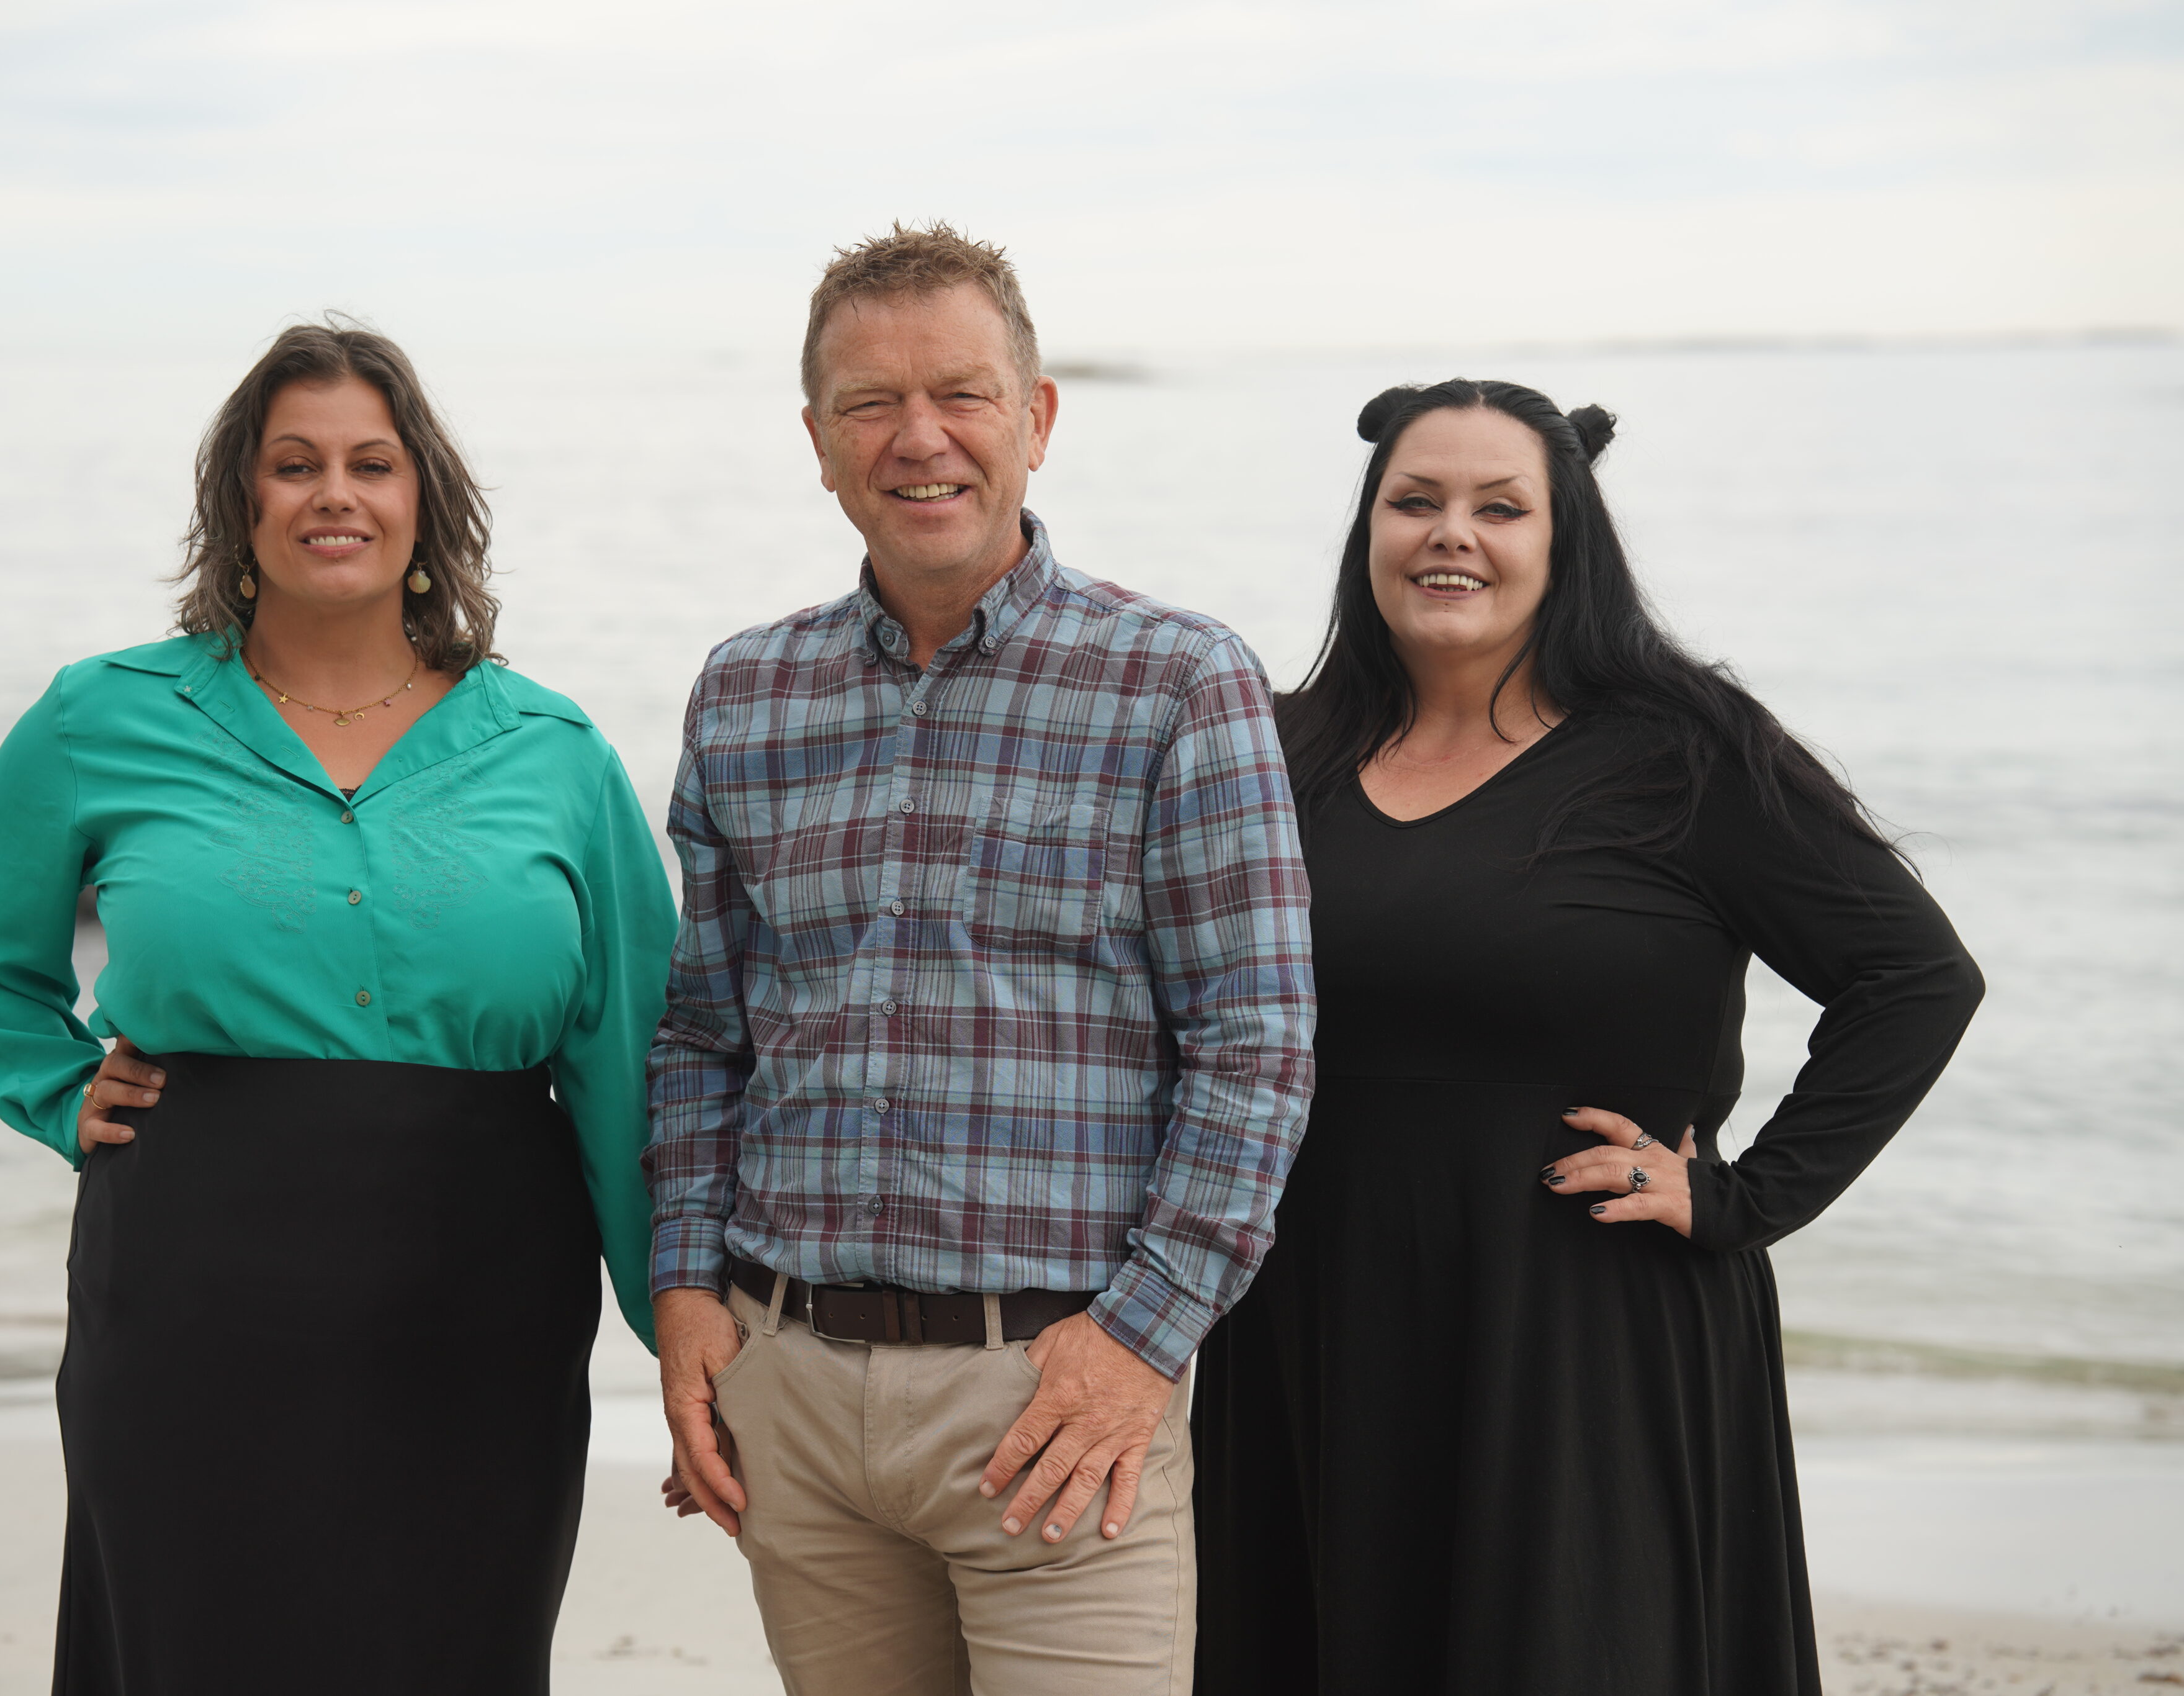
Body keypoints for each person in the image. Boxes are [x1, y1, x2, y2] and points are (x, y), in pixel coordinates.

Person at [1191, 380, 1985, 1694]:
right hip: (1302, 1337)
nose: (1451, 533)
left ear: (1566, 545)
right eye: (1415, 501)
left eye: (1498, 507)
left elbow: (1912, 978)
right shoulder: (1277, 754)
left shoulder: (1684, 753)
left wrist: (1743, 1197)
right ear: (1367, 532)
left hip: (1579, 1341)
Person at [0, 322, 675, 1695]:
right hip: (194, 1290)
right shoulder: (104, 716)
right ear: (241, 505)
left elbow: (632, 1058)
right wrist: (51, 1085)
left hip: (484, 1303)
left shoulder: (552, 752)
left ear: (423, 502)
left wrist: (678, 1331)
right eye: (295, 464)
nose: (336, 493)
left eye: (372, 463)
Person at [642, 222, 1316, 1695]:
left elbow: (1254, 1044)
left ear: (1037, 418)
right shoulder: (745, 693)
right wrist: (687, 1293)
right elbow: (699, 1033)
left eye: (958, 392)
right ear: (817, 441)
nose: (919, 438)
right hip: (794, 1393)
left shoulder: (1178, 683)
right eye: (868, 403)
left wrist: (1139, 1340)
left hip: (1054, 1404)